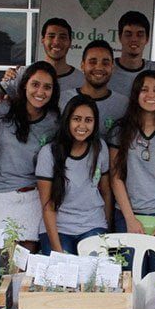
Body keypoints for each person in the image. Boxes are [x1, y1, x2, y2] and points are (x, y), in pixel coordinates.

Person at [109, 71, 155, 266]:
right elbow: (116, 178)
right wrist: (129, 219)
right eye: (144, 90)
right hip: (129, 215)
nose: (151, 95)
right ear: (135, 94)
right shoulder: (120, 131)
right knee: (131, 279)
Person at [0, 62, 60, 250]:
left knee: (27, 261)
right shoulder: (2, 110)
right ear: (24, 85)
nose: (40, 91)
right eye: (35, 84)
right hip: (0, 194)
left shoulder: (54, 121)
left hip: (34, 196)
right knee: (1, 258)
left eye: (47, 87)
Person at [36, 95, 112, 254]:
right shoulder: (49, 153)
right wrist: (58, 252)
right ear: (67, 121)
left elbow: (106, 191)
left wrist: (106, 228)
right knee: (63, 276)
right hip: (59, 228)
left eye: (88, 120)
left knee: (93, 274)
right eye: (77, 119)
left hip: (92, 224)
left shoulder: (100, 148)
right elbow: (47, 206)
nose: (82, 125)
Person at [59, 40, 130, 141]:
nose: (99, 67)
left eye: (105, 63)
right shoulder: (63, 99)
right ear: (82, 65)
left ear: (112, 67)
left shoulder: (124, 104)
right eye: (92, 62)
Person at [1, 17, 85, 97]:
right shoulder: (22, 74)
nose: (56, 42)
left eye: (62, 37)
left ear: (70, 42)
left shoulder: (82, 80)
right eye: (51, 36)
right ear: (42, 40)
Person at [109, 11, 155, 97]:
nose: (134, 39)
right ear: (120, 37)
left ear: (147, 39)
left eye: (140, 34)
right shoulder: (107, 70)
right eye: (128, 34)